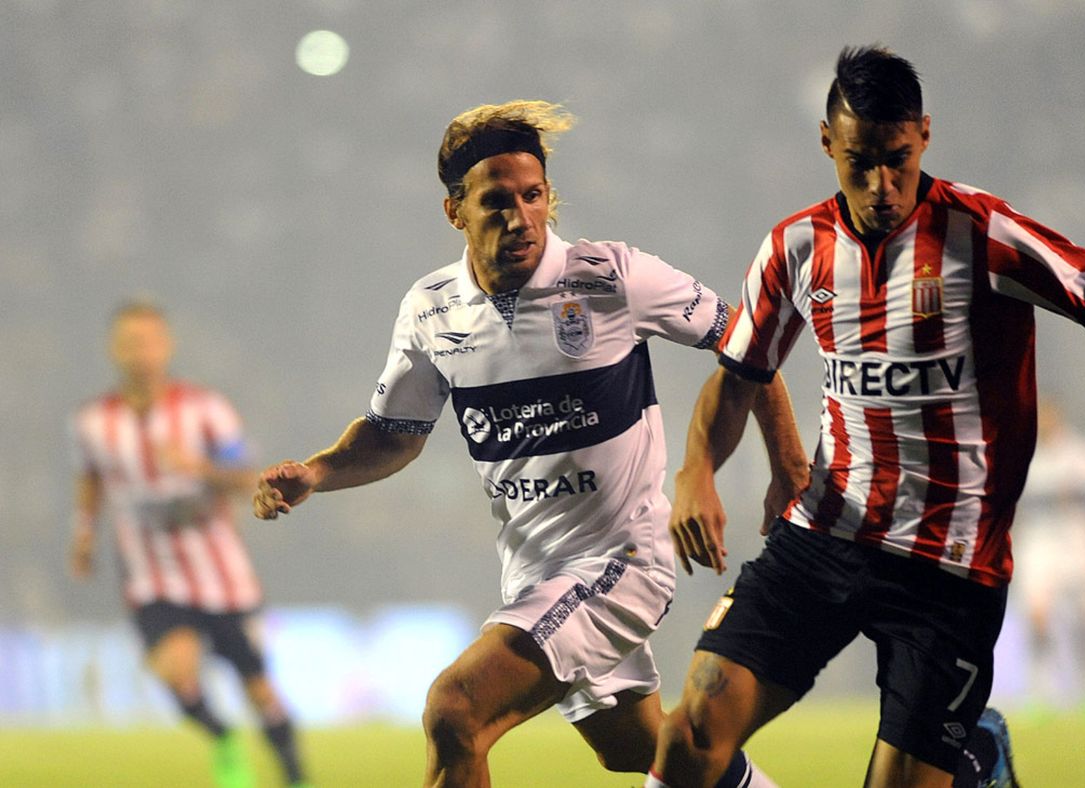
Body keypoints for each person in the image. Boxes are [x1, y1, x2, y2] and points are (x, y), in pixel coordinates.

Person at [649, 46, 1085, 788]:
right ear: (827, 144)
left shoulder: (981, 233)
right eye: (860, 162)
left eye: (898, 158)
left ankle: (977, 760)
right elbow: (737, 378)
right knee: (689, 739)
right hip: (826, 534)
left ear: (925, 134)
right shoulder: (795, 247)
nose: (883, 184)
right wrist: (696, 471)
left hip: (948, 568)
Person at [252, 101, 806, 788]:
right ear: (454, 211)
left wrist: (788, 464)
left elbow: (751, 341)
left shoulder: (611, 277)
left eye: (533, 195)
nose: (520, 217)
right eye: (495, 202)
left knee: (455, 710)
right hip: (534, 576)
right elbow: (395, 436)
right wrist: (315, 472)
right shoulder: (431, 309)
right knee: (648, 754)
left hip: (620, 563)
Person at [69, 302, 309, 788]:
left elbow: (246, 478)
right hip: (150, 573)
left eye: (149, 341)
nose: (140, 353)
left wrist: (197, 467)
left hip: (219, 573)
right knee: (174, 672)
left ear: (166, 346)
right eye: (130, 343)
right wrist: (85, 532)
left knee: (259, 690)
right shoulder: (94, 422)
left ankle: (293, 775)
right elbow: (91, 478)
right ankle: (222, 737)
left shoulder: (206, 410)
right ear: (115, 350)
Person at [1014, 400, 1085, 710]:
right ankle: (1040, 691)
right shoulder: (1023, 453)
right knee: (1037, 618)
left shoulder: (1082, 452)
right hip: (1038, 544)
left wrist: (1077, 494)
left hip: (1078, 542)